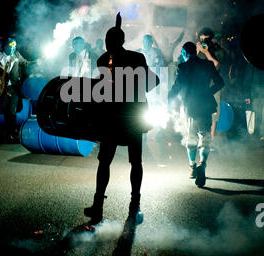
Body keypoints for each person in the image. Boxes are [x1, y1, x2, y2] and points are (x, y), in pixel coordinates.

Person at [84, 13, 159, 225]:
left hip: (122, 117)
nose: (107, 44)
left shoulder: (116, 59)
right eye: (107, 40)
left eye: (110, 40)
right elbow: (153, 82)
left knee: (121, 162)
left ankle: (115, 204)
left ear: (114, 41)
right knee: (120, 161)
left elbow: (101, 91)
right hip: (123, 116)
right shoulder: (132, 58)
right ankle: (115, 205)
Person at [168, 42, 224, 187]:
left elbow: (176, 88)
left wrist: (168, 100)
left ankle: (192, 167)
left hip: (189, 109)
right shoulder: (207, 65)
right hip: (206, 106)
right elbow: (220, 82)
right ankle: (203, 164)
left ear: (185, 53)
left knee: (190, 138)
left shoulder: (183, 67)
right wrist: (207, 93)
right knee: (204, 137)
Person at [0, 36, 32, 143]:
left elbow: (25, 63)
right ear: (5, 46)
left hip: (14, 88)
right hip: (2, 88)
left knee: (12, 110)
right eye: (11, 46)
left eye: (15, 46)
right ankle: (10, 133)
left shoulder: (16, 54)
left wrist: (39, 62)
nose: (14, 48)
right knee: (6, 111)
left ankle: (13, 133)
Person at [197, 27, 225, 139]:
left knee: (213, 113)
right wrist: (197, 52)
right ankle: (201, 138)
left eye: (206, 39)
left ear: (211, 39)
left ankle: (210, 139)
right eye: (201, 39)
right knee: (199, 111)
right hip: (201, 86)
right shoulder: (199, 51)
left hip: (214, 86)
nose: (203, 42)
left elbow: (216, 66)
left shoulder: (218, 51)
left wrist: (207, 52)